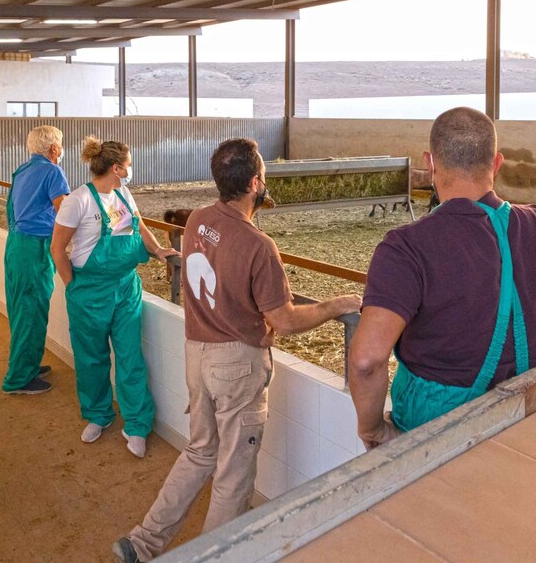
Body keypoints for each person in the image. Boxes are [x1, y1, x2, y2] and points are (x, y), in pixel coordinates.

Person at [112, 138, 362, 563]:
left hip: (197, 351)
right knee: (234, 472)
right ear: (253, 183)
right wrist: (337, 304)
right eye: (262, 176)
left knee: (199, 451)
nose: (264, 183)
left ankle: (142, 542)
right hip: (236, 364)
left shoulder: (198, 221)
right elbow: (283, 320)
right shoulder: (258, 246)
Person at [348, 107, 536, 450]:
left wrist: (373, 430)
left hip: (432, 434)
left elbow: (367, 360)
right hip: (528, 422)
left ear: (431, 163)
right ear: (496, 164)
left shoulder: (406, 247)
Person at [50, 136, 177, 456]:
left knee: (130, 355)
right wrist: (73, 286)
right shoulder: (78, 201)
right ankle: (98, 415)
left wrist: (158, 249)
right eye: (129, 165)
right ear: (117, 167)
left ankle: (136, 424)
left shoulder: (122, 193)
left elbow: (138, 228)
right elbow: (57, 249)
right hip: (89, 291)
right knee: (91, 358)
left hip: (125, 287)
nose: (131, 170)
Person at [2, 125, 70, 395]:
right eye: (61, 145)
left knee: (21, 309)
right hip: (35, 248)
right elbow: (63, 210)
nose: (61, 150)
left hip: (17, 244)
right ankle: (18, 379)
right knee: (31, 311)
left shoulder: (22, 170)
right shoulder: (52, 171)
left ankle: (27, 364)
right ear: (54, 149)